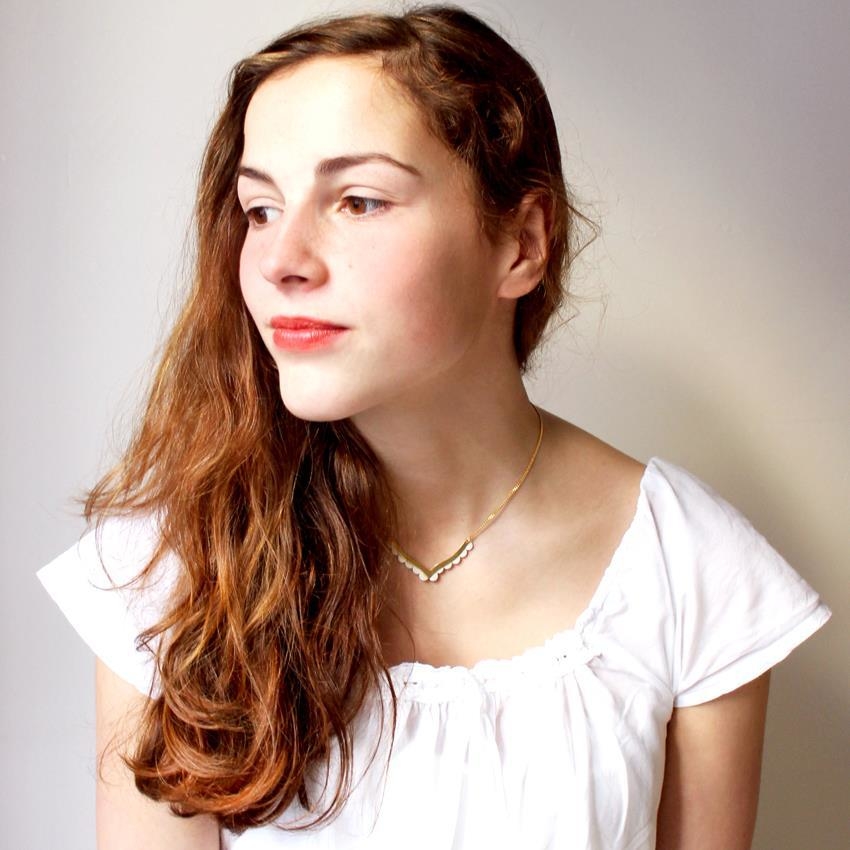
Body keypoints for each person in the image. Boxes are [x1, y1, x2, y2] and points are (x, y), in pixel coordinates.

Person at [38, 6, 831, 849]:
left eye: (359, 201)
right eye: (260, 209)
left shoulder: (687, 568)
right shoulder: (171, 571)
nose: (280, 261)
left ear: (521, 243)